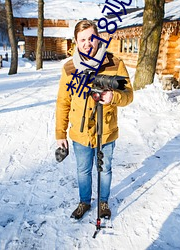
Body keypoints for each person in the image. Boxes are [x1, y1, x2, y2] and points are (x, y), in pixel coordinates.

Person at [55, 20, 133, 220]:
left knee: (105, 168)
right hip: (80, 133)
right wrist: (60, 134)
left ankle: (104, 202)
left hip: (106, 130)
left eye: (91, 38)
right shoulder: (69, 68)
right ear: (76, 41)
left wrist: (113, 97)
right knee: (83, 170)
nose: (87, 43)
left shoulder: (114, 63)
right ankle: (84, 202)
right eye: (83, 39)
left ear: (97, 38)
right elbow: (63, 102)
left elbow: (129, 95)